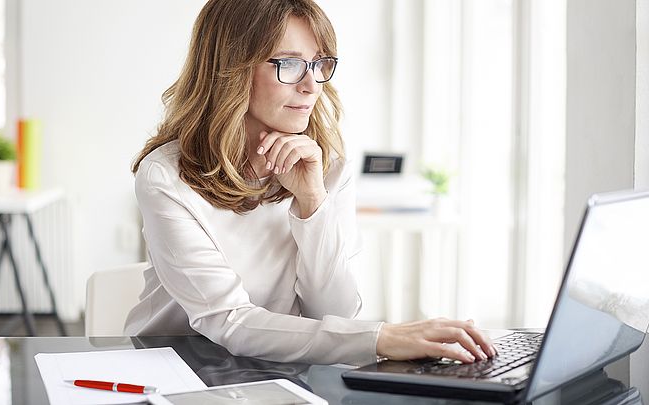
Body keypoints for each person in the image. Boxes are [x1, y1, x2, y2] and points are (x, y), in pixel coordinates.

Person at [126, 0, 496, 366]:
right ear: (230, 69)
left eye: (319, 64)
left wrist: (313, 203)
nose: (311, 85)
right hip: (173, 366)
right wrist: (383, 337)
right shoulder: (166, 176)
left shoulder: (327, 164)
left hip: (272, 366)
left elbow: (334, 313)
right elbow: (229, 320)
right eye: (288, 64)